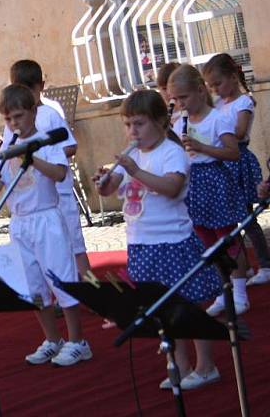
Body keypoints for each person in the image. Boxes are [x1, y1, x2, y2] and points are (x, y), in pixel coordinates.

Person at [94, 89, 221, 390]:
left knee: (189, 305)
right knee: (161, 309)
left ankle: (207, 366)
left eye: (138, 124)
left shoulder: (171, 153)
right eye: (127, 125)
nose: (132, 131)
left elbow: (173, 188)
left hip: (172, 242)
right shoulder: (133, 155)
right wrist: (104, 182)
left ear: (161, 122)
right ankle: (181, 364)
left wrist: (135, 171)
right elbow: (110, 190)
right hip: (141, 243)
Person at [0, 85, 91, 367]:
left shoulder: (47, 141)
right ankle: (52, 338)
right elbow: (4, 185)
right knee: (32, 286)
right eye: (8, 119)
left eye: (18, 116)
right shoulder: (9, 145)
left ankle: (78, 341)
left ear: (34, 111)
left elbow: (59, 173)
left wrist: (32, 158)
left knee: (61, 279)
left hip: (46, 218)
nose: (13, 124)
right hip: (20, 222)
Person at [168, 64, 248, 315]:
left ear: (201, 91)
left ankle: (240, 291)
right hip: (194, 182)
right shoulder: (180, 120)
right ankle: (222, 291)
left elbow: (233, 152)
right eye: (175, 98)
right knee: (205, 240)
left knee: (227, 237)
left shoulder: (218, 118)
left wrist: (202, 148)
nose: (180, 103)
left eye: (184, 97)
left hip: (214, 178)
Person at [3, 60, 91, 276]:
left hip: (58, 195)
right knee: (46, 255)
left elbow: (70, 146)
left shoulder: (50, 113)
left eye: (29, 90)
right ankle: (57, 293)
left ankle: (92, 289)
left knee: (74, 245)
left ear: (41, 86)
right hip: (32, 198)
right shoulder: (10, 124)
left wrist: (40, 155)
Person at [203, 53, 270, 286]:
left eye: (218, 84)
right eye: (210, 86)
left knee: (247, 216)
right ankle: (244, 266)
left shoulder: (244, 102)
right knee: (231, 218)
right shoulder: (218, 104)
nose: (215, 90)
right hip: (222, 163)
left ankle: (265, 263)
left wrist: (218, 129)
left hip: (238, 161)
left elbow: (240, 132)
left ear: (233, 77)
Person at [156, 62, 182, 127]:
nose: (168, 93)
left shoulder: (192, 113)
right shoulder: (157, 116)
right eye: (164, 89)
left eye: (172, 87)